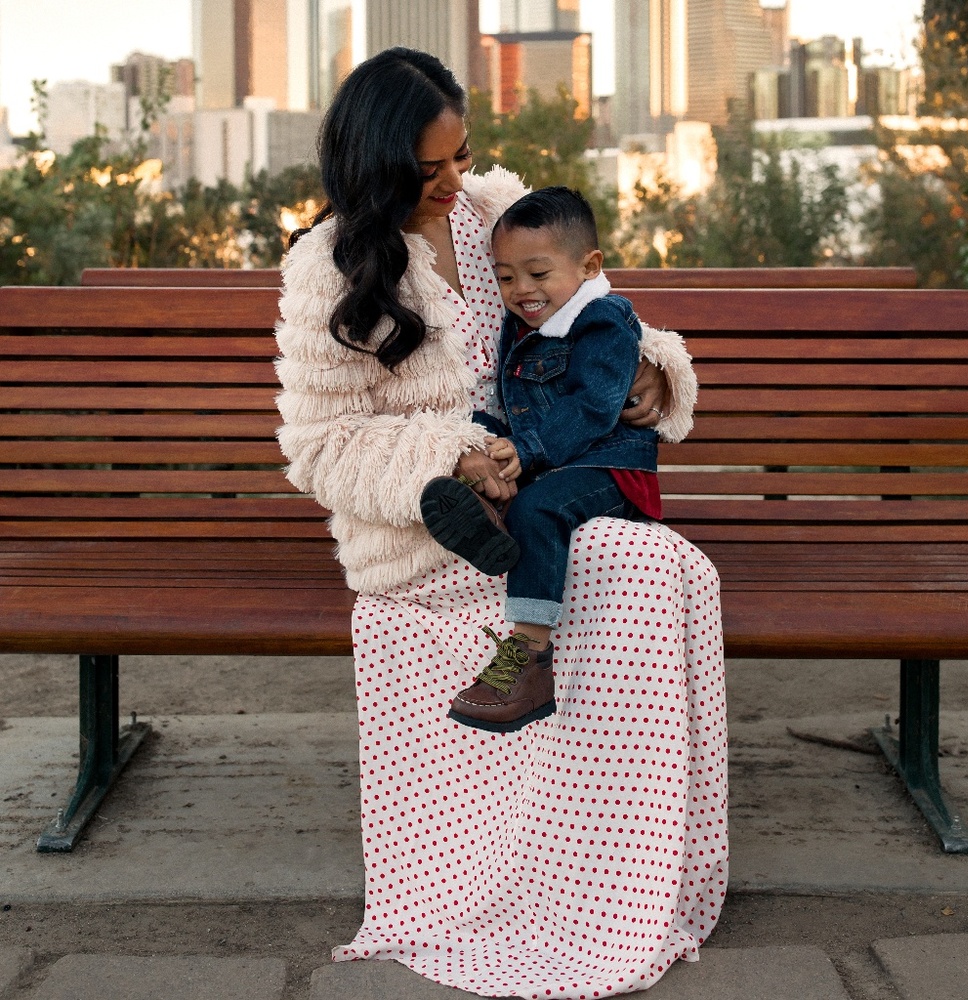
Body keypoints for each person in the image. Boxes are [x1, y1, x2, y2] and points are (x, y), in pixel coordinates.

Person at [275, 46, 727, 1000]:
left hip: (546, 468)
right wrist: (453, 458)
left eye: (460, 156)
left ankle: (620, 874)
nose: (451, 182)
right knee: (609, 560)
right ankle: (542, 869)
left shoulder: (491, 208)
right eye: (427, 168)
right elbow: (321, 449)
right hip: (426, 525)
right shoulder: (330, 265)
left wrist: (650, 370)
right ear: (374, 164)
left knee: (654, 565)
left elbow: (578, 305)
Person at [420, 186, 666, 734]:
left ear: (589, 265)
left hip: (607, 466)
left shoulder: (604, 320)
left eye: (537, 274)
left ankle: (527, 659)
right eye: (506, 278)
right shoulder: (526, 323)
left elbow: (594, 407)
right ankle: (481, 505)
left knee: (537, 510)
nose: (521, 291)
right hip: (549, 452)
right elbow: (513, 403)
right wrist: (484, 443)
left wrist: (527, 449)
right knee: (476, 432)